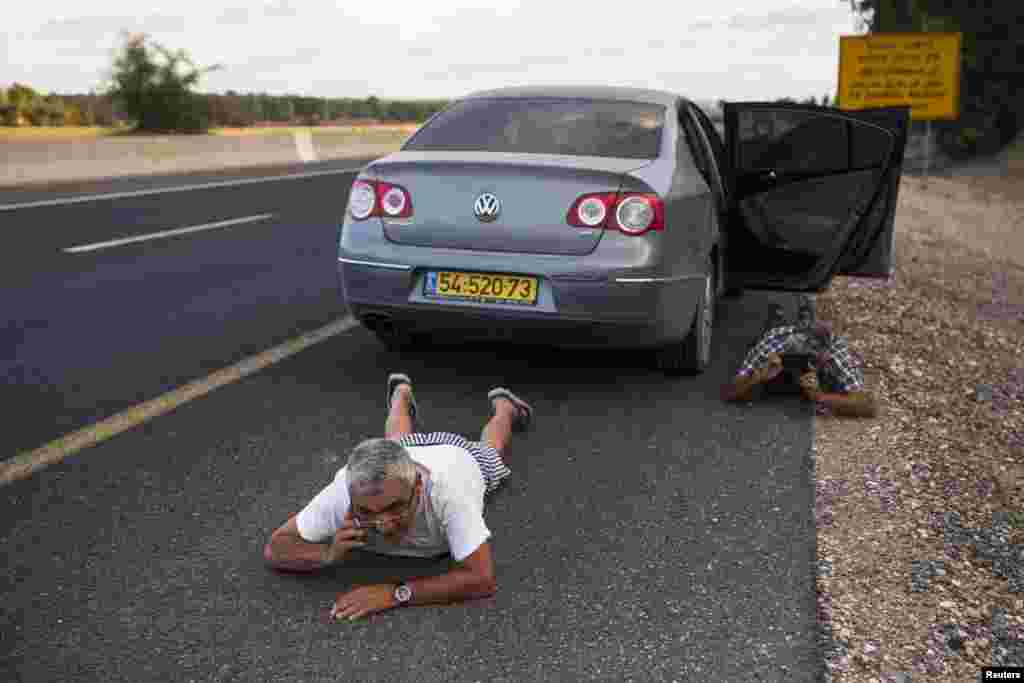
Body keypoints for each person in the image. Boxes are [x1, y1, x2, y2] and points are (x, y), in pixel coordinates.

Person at [263, 373, 533, 621]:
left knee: (491, 451)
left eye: (395, 508)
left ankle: (505, 408)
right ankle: (401, 394)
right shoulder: (345, 490)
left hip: (458, 455)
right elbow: (276, 547)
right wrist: (327, 553)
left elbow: (481, 579)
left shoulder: (448, 493)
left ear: (418, 488)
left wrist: (395, 594)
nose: (383, 525)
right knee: (395, 442)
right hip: (402, 453)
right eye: (366, 512)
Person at [720, 295, 878, 418]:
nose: (810, 361)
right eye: (806, 355)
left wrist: (820, 397)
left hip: (815, 375)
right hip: (778, 352)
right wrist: (758, 377)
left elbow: (868, 405)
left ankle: (803, 312)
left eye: (816, 358)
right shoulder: (775, 341)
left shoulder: (837, 351)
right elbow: (729, 392)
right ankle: (776, 316)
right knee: (769, 330)